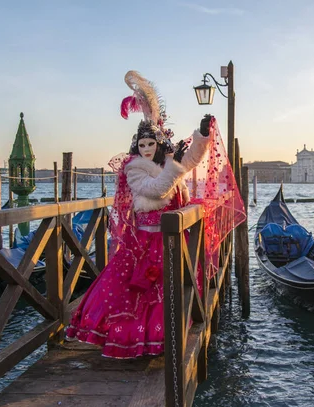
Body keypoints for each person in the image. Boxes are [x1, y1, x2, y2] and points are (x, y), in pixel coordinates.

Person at [65, 71, 213, 358]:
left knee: (166, 292)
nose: (146, 149)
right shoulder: (134, 170)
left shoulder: (167, 162)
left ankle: (162, 338)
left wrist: (201, 137)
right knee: (135, 293)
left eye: (151, 144)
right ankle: (132, 341)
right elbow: (158, 191)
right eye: (142, 145)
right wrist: (176, 164)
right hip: (145, 241)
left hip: (169, 237)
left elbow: (188, 162)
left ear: (159, 145)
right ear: (136, 147)